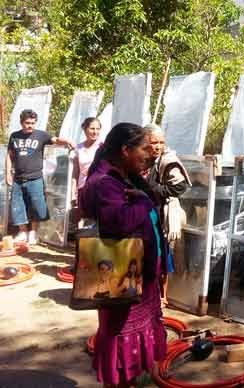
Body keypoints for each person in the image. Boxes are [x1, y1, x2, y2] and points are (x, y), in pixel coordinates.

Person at [79, 122, 167, 387]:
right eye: (144, 148)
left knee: (135, 328)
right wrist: (143, 201)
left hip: (138, 269)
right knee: (118, 330)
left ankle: (128, 380)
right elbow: (118, 223)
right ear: (125, 150)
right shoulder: (105, 181)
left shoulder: (125, 175)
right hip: (121, 272)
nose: (149, 153)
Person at [6, 109, 75, 245]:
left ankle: (33, 233)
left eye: (32, 122)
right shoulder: (14, 136)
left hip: (35, 178)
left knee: (37, 207)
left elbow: (55, 140)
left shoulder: (41, 135)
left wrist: (67, 141)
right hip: (18, 178)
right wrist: (8, 172)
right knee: (17, 205)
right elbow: (9, 155)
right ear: (21, 122)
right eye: (27, 123)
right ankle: (23, 232)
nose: (30, 125)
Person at [143, 124, 191, 305]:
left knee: (162, 255)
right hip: (144, 215)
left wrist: (155, 190)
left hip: (159, 215)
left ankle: (162, 297)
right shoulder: (143, 159)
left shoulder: (167, 160)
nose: (158, 146)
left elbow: (179, 187)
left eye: (161, 142)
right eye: (154, 142)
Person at [73, 117, 103, 192]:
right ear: (85, 129)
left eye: (98, 129)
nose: (95, 132)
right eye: (92, 128)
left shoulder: (103, 147)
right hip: (82, 188)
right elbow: (75, 173)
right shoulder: (78, 148)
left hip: (99, 189)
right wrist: (73, 192)